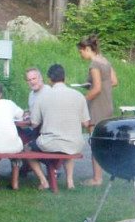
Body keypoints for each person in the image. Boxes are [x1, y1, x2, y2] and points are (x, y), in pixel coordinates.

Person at [27, 64, 90, 190]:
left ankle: (44, 181)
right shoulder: (79, 96)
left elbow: (34, 123)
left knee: (27, 149)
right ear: (64, 78)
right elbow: (86, 123)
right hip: (74, 143)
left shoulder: (42, 97)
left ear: (49, 80)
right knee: (68, 145)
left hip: (50, 143)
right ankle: (70, 181)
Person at [77, 34, 118, 186]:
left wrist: (82, 100)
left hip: (97, 106)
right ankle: (103, 174)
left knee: (95, 141)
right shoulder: (105, 61)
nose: (81, 55)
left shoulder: (94, 64)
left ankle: (96, 178)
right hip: (107, 104)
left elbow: (97, 90)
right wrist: (95, 85)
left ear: (88, 49)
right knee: (103, 139)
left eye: (81, 52)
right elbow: (113, 81)